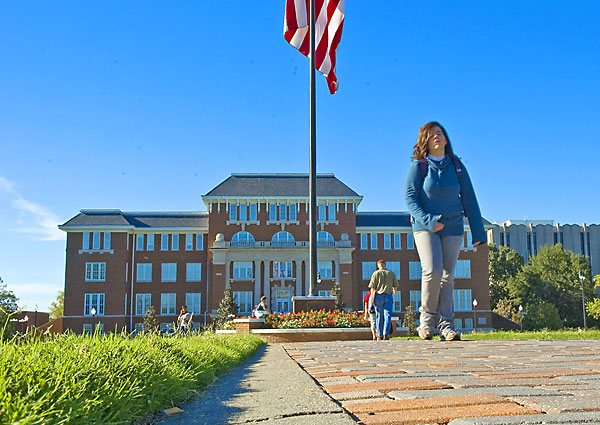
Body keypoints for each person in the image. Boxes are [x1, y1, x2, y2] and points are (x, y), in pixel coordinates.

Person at [404, 122, 485, 341]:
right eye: (431, 136)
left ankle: (447, 325)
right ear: (425, 142)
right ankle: (426, 323)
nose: (437, 138)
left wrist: (478, 233)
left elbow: (469, 198)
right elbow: (410, 199)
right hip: (425, 227)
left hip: (453, 226)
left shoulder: (456, 166)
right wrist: (428, 220)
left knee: (447, 277)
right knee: (432, 271)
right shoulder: (419, 166)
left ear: (446, 139)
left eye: (440, 134)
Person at [368, 259, 399, 340]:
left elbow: (372, 288)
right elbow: (395, 286)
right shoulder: (391, 273)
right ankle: (386, 333)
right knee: (388, 315)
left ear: (378, 266)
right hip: (388, 296)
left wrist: (371, 301)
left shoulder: (375, 274)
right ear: (385, 265)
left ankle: (380, 334)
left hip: (378, 296)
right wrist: (394, 291)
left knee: (379, 316)